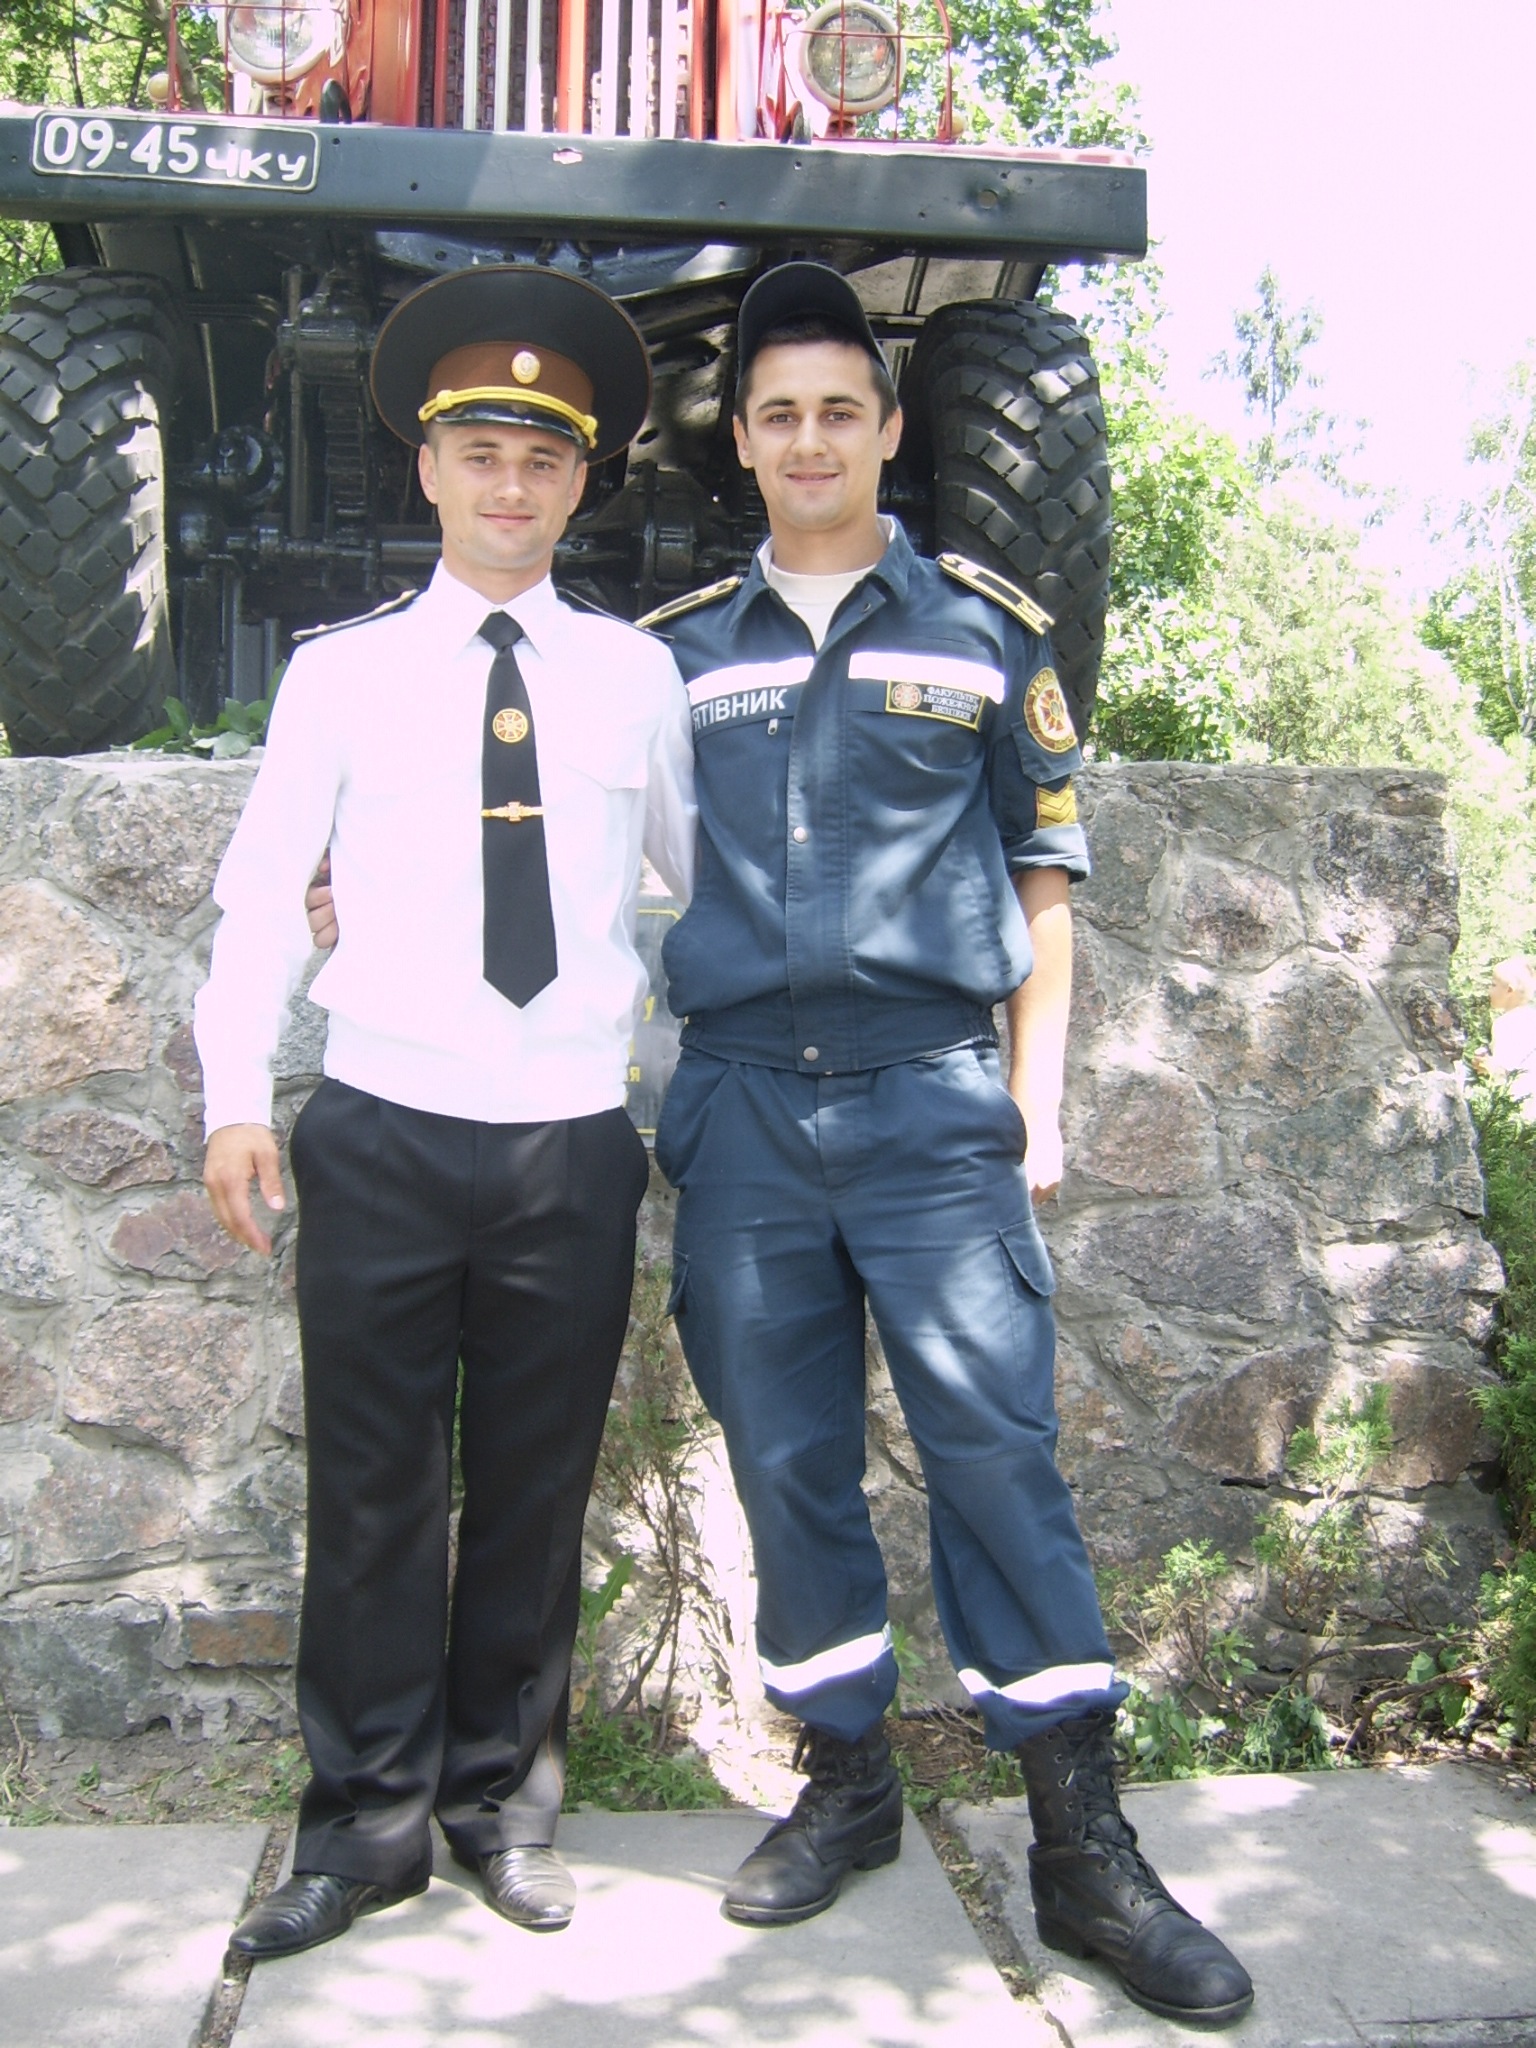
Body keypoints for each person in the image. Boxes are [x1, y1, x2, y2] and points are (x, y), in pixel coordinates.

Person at [637, 263, 1254, 2027]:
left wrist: (1035, 1102)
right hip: (744, 1107)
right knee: (787, 1464)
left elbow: (1043, 884)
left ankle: (1083, 1845)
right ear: (740, 441)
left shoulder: (983, 630)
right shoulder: (674, 655)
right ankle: (846, 1782)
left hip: (929, 1104)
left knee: (997, 1458)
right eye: (778, 414)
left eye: (840, 409)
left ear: (889, 430)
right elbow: (558, 841)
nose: (809, 440)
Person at [195, 264, 695, 1960]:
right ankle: (361, 1830)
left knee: (537, 1494)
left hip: (567, 1141)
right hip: (385, 1121)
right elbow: (263, 894)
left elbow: (698, 895)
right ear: (427, 467)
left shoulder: (637, 678)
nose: (510, 485)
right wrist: (232, 1094)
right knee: (373, 1494)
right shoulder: (337, 677)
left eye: (543, 460)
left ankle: (503, 1810)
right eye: (481, 452)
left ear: (578, 483)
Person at [1489, 955, 1536, 1112]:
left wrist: (1486, 1065)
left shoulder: (1505, 1024)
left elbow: (1502, 1070)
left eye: (1493, 985)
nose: (1489, 991)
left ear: (1509, 990)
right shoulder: (1531, 1017)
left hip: (1517, 1105)